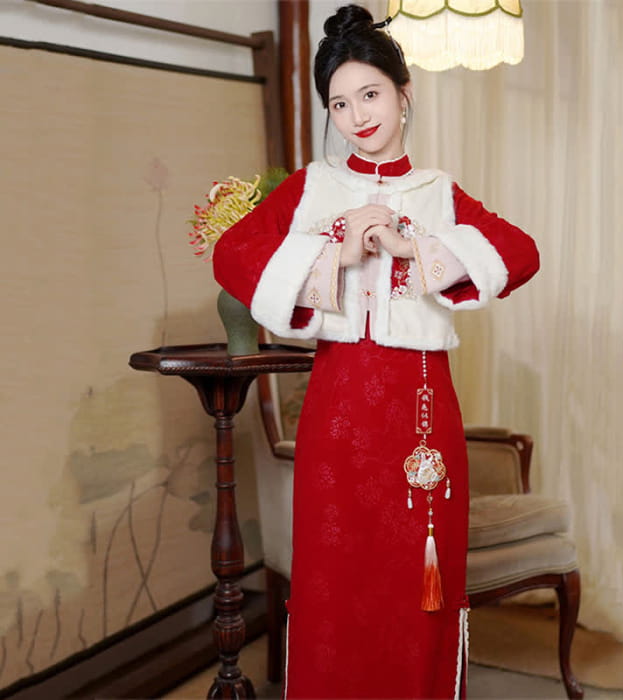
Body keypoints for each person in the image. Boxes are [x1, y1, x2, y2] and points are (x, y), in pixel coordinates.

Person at [213, 5, 539, 698]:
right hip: (337, 417)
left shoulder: (437, 192)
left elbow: (521, 253)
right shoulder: (312, 187)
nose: (357, 116)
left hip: (420, 415)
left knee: (416, 584)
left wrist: (412, 246)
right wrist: (336, 249)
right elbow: (232, 253)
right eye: (339, 103)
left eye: (370, 94)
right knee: (337, 581)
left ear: (403, 94)